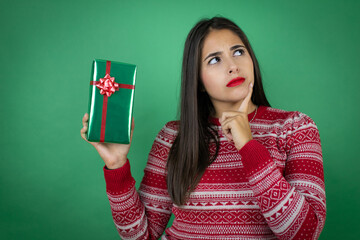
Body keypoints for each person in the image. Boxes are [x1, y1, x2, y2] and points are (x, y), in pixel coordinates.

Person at [80, 17, 326, 240]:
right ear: (197, 80)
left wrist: (249, 147)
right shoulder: (172, 137)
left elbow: (305, 234)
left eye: (238, 52)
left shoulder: (295, 127)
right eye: (215, 60)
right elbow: (142, 236)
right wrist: (116, 167)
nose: (232, 66)